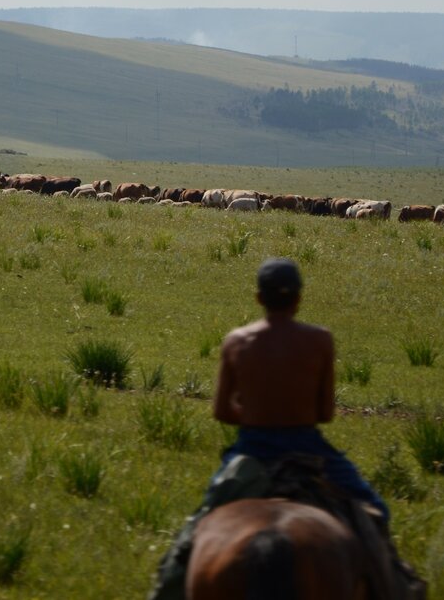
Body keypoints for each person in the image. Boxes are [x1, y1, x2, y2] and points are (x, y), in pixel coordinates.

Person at [147, 257, 392, 600]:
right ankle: (397, 585)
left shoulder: (236, 341)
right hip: (310, 448)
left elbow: (222, 411)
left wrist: (257, 414)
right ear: (299, 299)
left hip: (252, 451)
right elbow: (324, 413)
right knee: (376, 511)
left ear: (258, 298)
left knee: (192, 534)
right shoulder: (320, 340)